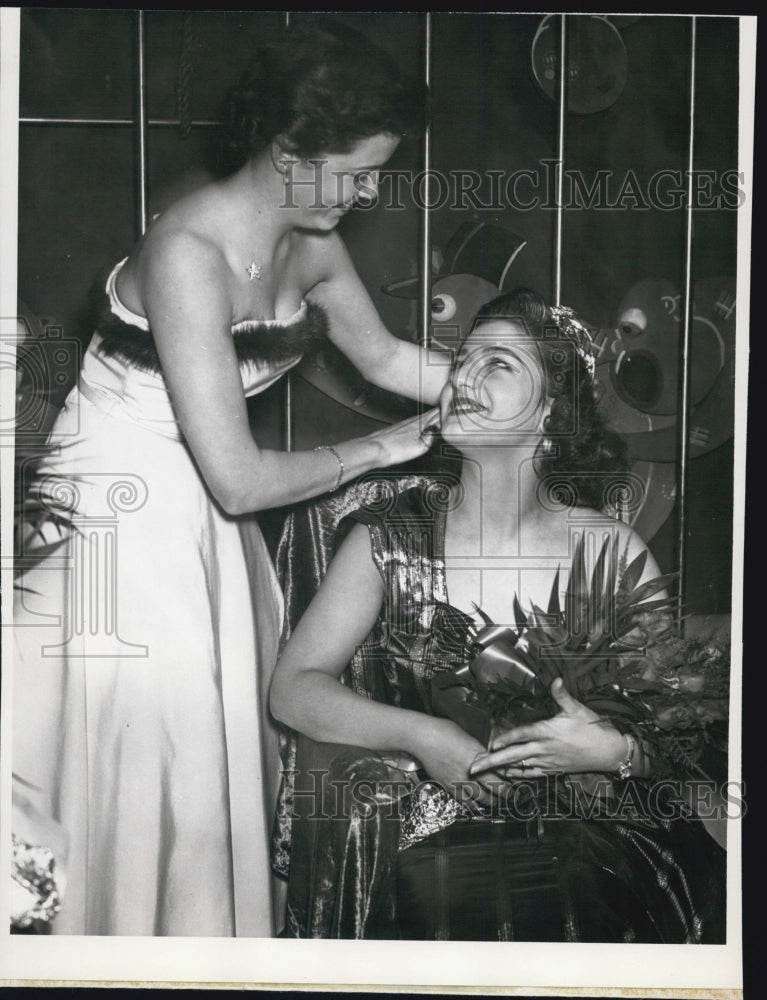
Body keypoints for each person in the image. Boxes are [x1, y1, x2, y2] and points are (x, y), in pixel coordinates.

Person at [12, 23, 446, 937]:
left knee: (214, 744)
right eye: (359, 171)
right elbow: (244, 482)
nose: (371, 191)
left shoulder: (314, 242)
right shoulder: (187, 254)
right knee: (151, 735)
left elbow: (389, 358)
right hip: (116, 512)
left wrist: (503, 379)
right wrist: (381, 450)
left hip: (206, 505)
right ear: (290, 153)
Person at [270, 287, 727, 941]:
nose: (464, 377)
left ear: (549, 413)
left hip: (606, 840)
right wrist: (425, 738)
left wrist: (611, 750)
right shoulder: (386, 539)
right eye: (462, 361)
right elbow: (293, 690)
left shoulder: (609, 548)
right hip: (438, 844)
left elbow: (676, 735)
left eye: (500, 364)